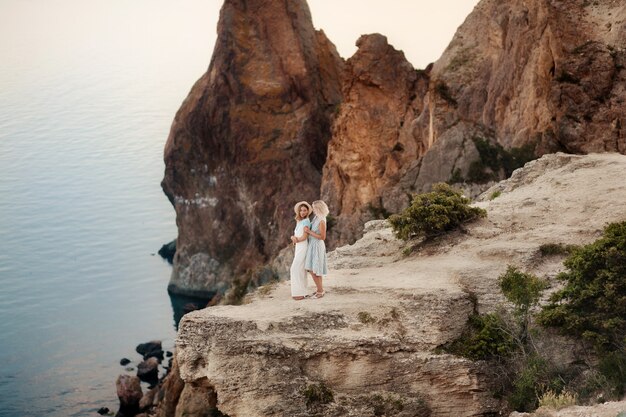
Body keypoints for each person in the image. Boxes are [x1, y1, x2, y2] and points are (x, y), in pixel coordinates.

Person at [305, 200, 329, 299]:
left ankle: (320, 291)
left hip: (317, 245)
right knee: (314, 269)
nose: (313, 209)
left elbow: (322, 237)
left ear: (318, 208)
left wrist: (309, 232)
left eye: (314, 207)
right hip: (312, 245)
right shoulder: (316, 217)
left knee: (313, 269)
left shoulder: (322, 220)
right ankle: (320, 289)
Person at [290, 201, 312, 300]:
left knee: (295, 268)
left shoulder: (306, 221)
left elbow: (304, 237)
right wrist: (292, 237)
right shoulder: (299, 221)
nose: (302, 212)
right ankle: (302, 292)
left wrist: (296, 239)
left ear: (307, 212)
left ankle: (299, 293)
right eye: (301, 210)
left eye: (304, 210)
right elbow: (296, 235)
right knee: (300, 269)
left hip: (303, 246)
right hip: (298, 247)